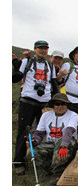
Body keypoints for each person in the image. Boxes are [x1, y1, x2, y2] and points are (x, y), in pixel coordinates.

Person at [12, 40, 60, 175]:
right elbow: (15, 78)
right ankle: (18, 162)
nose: (43, 50)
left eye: (45, 48)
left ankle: (42, 160)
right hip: (28, 100)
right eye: (40, 48)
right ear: (35, 49)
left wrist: (58, 101)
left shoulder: (50, 66)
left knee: (45, 132)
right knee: (24, 131)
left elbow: (54, 84)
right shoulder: (27, 62)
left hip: (44, 103)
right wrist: (16, 67)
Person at [30, 93, 78, 185]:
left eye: (63, 104)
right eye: (57, 104)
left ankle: (58, 173)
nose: (60, 106)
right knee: (31, 151)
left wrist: (64, 146)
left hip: (67, 144)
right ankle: (48, 169)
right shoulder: (46, 115)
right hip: (50, 143)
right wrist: (34, 140)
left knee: (60, 144)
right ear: (53, 105)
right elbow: (39, 133)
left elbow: (69, 131)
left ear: (67, 105)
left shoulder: (73, 115)